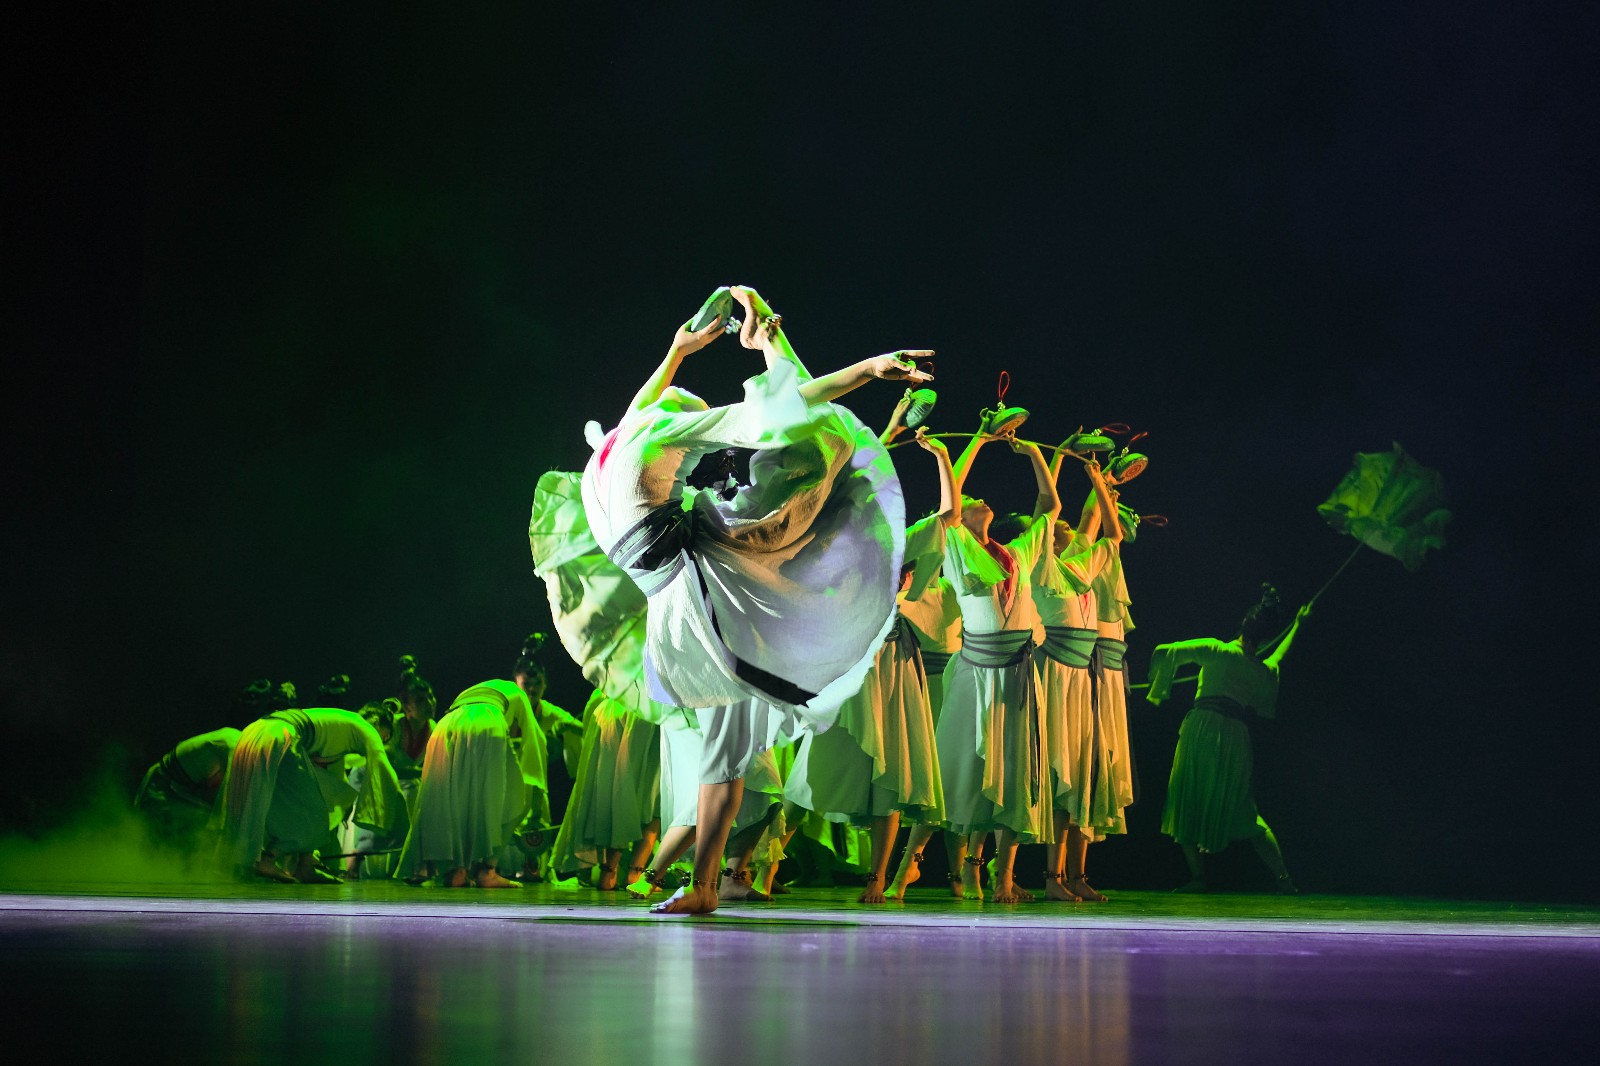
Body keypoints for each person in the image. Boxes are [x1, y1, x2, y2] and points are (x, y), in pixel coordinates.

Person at [578, 284, 924, 914]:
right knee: (719, 748)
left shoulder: (659, 429)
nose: (690, 405)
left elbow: (791, 403)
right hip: (676, 593)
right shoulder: (633, 430)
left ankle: (705, 884)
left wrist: (866, 370)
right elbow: (659, 398)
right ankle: (704, 881)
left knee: (722, 749)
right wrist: (678, 351)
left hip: (700, 589)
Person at [896, 419, 1060, 904]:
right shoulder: (956, 546)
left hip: (1016, 677)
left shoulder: (1018, 555)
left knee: (1013, 773)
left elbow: (1050, 506)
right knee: (955, 769)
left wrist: (1034, 453)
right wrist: (961, 449)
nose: (980, 500)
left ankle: (999, 874)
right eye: (971, 501)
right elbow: (948, 507)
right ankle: (908, 864)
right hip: (975, 674)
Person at [1148, 586, 1309, 893]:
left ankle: (1198, 878)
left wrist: (1159, 686)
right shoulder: (1261, 670)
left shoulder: (1217, 650)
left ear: (1243, 627)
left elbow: (1166, 651)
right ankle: (1284, 879)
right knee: (1246, 812)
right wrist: (1298, 625)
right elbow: (1278, 656)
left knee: (1187, 800)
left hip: (1202, 730)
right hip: (1234, 737)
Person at [216, 705, 407, 883]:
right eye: (385, 737)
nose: (383, 741)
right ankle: (268, 859)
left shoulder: (341, 727)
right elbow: (382, 766)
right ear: (377, 723)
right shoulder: (364, 727)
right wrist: (399, 819)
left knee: (269, 802)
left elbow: (330, 783)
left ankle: (303, 865)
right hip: (279, 736)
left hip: (254, 733)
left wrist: (343, 806)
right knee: (313, 814)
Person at [395, 679, 541, 888]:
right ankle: (487, 870)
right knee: (518, 798)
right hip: (485, 722)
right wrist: (536, 795)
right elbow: (535, 740)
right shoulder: (517, 695)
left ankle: (454, 869)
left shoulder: (478, 692)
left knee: (449, 799)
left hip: (445, 724)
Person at [134, 727, 241, 853]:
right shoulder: (234, 750)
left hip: (177, 791)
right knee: (156, 849)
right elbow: (221, 811)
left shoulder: (236, 741)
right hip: (161, 790)